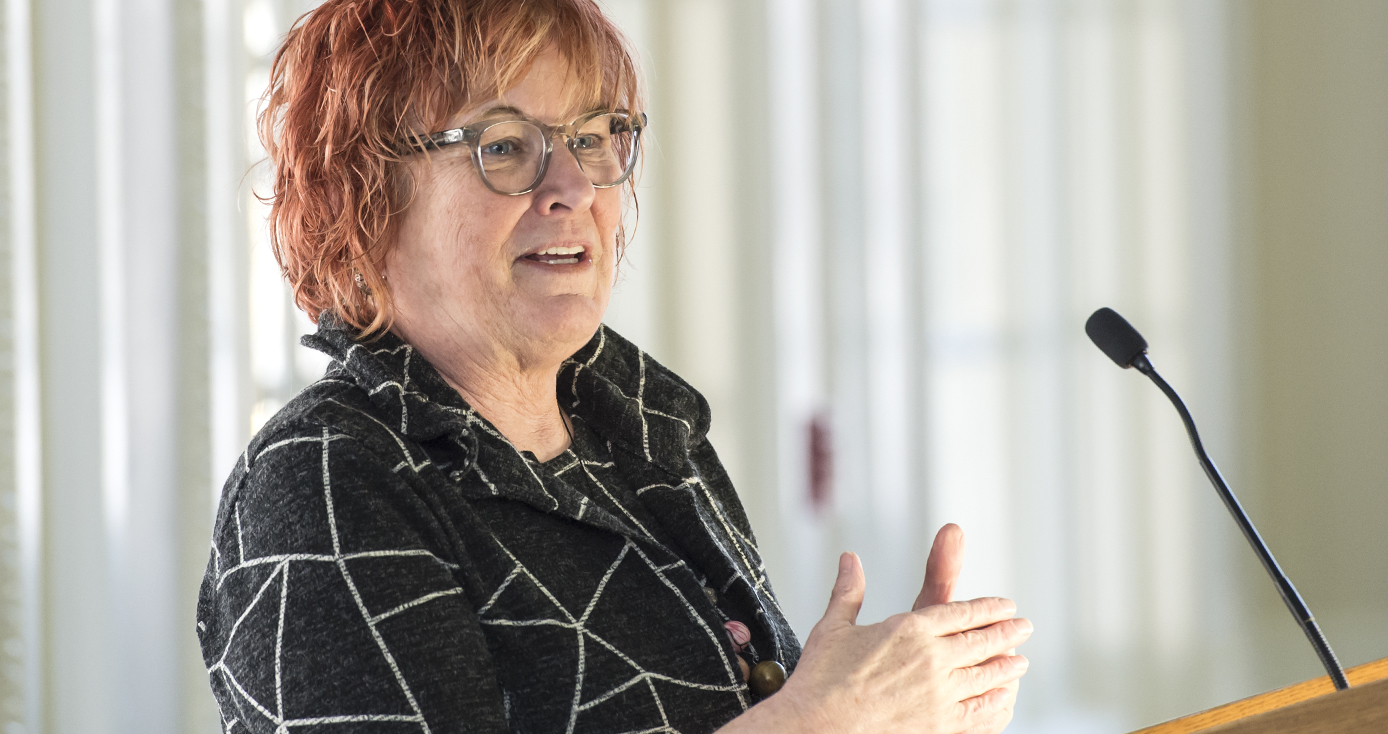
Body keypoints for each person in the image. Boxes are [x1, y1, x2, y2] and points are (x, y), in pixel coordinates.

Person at [195, 0, 1032, 732]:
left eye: (594, 137)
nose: (573, 185)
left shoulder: (639, 427)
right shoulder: (323, 484)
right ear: (365, 195)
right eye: (506, 144)